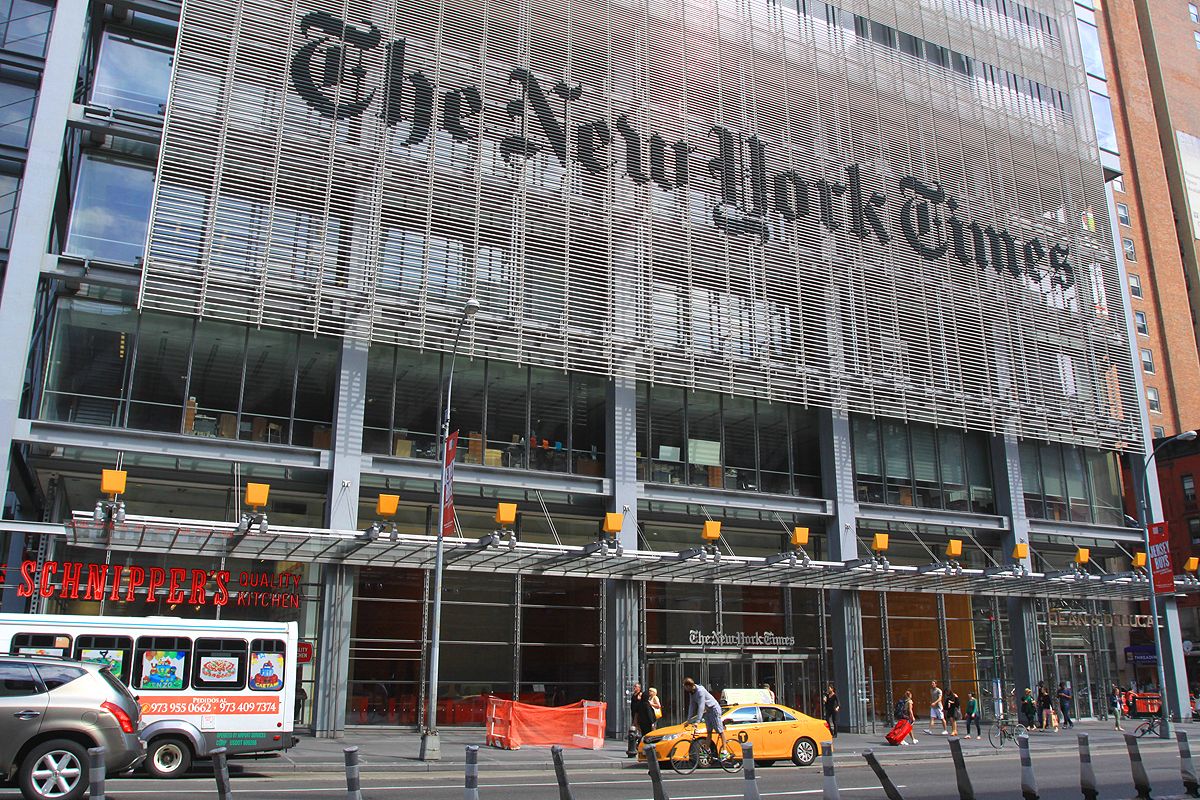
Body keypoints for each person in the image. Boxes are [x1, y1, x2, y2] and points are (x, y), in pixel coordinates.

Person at [684, 677, 728, 758]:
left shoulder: (700, 691)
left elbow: (701, 705)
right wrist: (688, 720)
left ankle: (725, 750)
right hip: (707, 711)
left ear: (689, 686)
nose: (685, 689)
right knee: (709, 732)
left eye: (685, 687)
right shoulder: (692, 693)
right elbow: (692, 706)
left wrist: (697, 721)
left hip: (714, 709)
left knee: (719, 730)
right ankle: (707, 750)